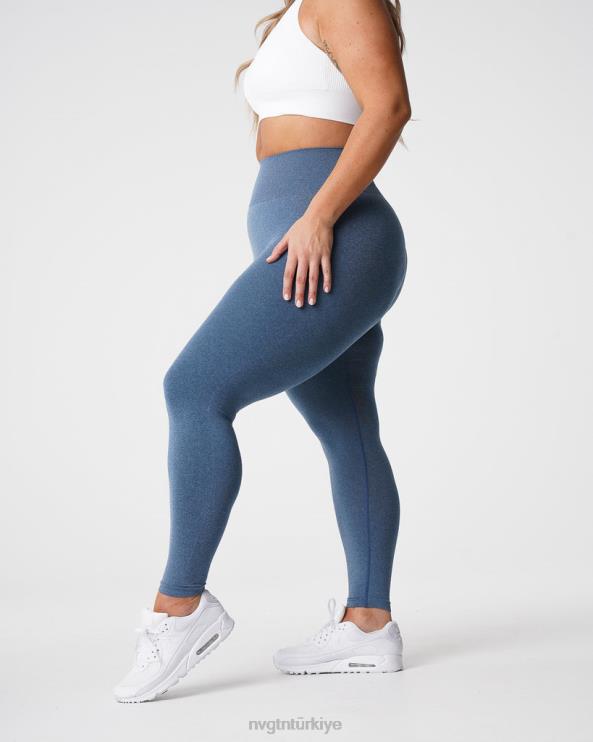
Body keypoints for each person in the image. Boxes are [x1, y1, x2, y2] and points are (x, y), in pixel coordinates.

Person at [113, 0, 411, 702]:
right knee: (345, 426)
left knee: (194, 389)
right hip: (304, 231)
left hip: (336, 233)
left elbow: (390, 106)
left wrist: (318, 216)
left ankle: (179, 608)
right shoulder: (295, 12)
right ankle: (368, 626)